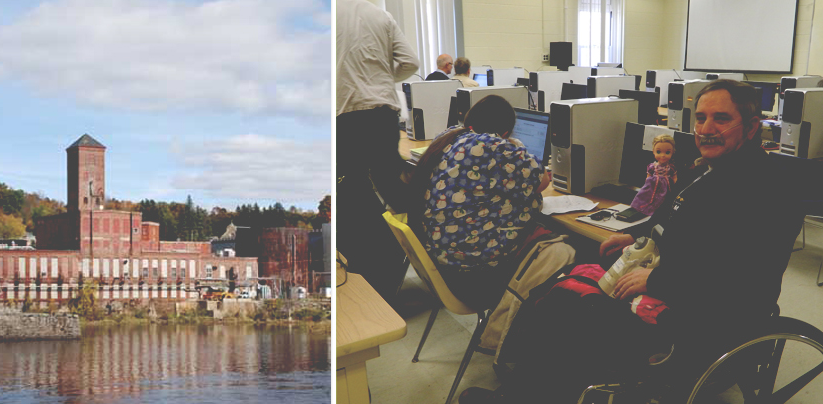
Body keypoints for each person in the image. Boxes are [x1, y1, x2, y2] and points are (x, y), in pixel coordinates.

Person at [461, 79, 807, 403]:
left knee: (574, 312)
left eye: (721, 119)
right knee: (560, 287)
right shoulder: (711, 169)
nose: (705, 129)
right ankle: (524, 391)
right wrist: (636, 233)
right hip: (676, 289)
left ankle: (530, 393)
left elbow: (739, 279)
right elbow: (673, 213)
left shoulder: (769, 190)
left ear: (750, 127)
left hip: (702, 322)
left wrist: (656, 279)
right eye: (700, 118)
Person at [413, 95, 549, 304]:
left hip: (441, 267)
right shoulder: (491, 146)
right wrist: (513, 145)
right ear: (503, 134)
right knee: (559, 247)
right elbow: (542, 181)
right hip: (473, 279)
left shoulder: (450, 136)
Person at [337, 0, 419, 299]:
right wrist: (382, 78)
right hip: (382, 112)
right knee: (394, 186)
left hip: (344, 113)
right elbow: (410, 62)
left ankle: (368, 276)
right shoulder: (380, 15)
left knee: (353, 193)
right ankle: (416, 257)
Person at [630, 134, 676, 216]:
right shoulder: (652, 166)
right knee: (646, 197)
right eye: (658, 152)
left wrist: (675, 184)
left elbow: (674, 176)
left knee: (662, 199)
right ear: (653, 152)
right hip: (652, 185)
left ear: (673, 152)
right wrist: (647, 183)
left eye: (667, 152)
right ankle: (642, 210)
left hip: (666, 186)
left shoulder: (671, 167)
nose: (663, 155)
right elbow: (649, 175)